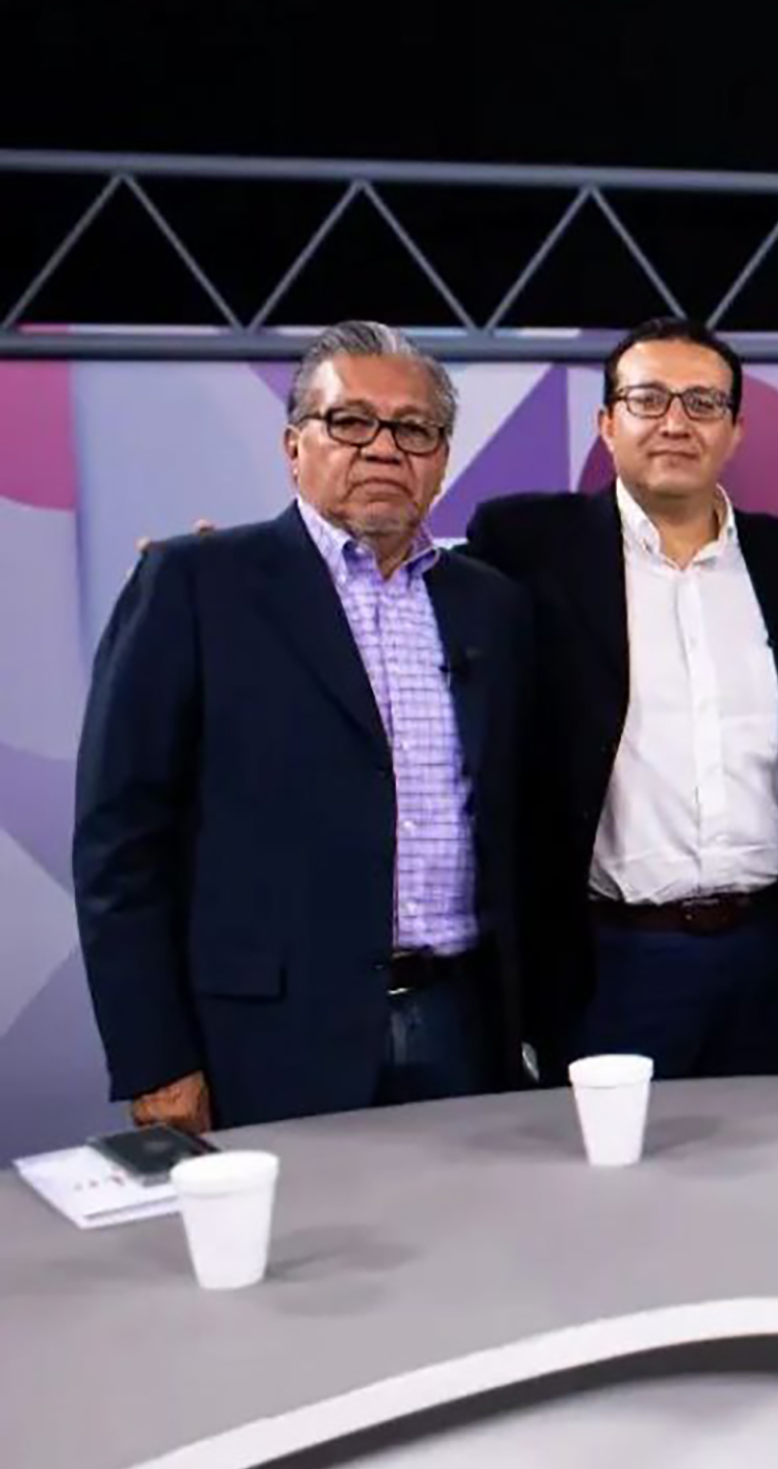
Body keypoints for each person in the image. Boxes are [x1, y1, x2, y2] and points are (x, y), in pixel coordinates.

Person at [74, 322, 532, 1131]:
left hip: (465, 1025)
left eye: (414, 428)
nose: (383, 447)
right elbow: (121, 842)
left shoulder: (490, 603)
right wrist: (156, 1058)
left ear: (441, 458)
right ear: (294, 447)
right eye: (350, 421)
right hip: (268, 1041)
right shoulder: (194, 583)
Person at [462, 318, 778, 1079]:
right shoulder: (527, 544)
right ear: (607, 423)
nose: (676, 422)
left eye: (702, 402)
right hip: (609, 961)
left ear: (735, 431)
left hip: (772, 955)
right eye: (648, 399)